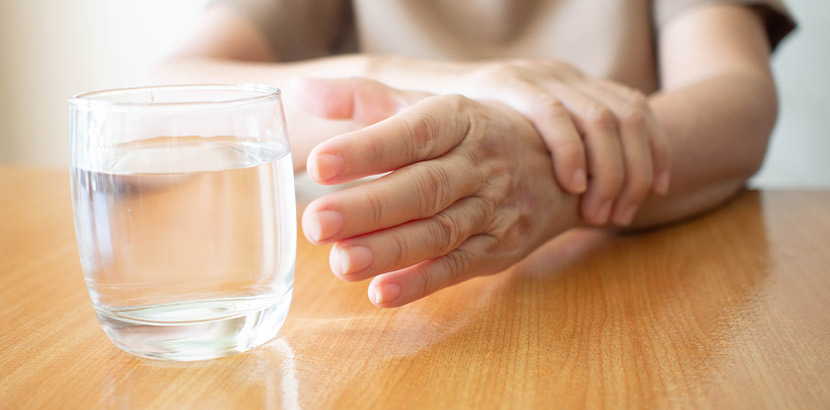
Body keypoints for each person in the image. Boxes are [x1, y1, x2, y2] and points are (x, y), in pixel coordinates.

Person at [154, 0, 795, 307]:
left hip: (638, 285)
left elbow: (740, 100)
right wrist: (436, 87)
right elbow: (174, 91)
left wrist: (546, 180)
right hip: (380, 292)